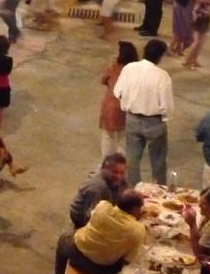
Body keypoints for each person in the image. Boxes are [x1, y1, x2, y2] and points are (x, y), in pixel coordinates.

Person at [53, 190, 147, 274]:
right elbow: (129, 259)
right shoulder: (138, 229)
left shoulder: (103, 207)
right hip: (96, 268)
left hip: (74, 249)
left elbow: (92, 218)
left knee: (64, 238)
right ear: (135, 209)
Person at [113, 38, 173, 185]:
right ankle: (158, 190)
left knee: (132, 160)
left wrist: (130, 102)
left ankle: (134, 189)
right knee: (158, 162)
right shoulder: (162, 75)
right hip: (154, 121)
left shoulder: (129, 68)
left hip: (132, 119)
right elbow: (166, 105)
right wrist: (164, 119)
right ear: (160, 56)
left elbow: (117, 92)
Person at [68, 152, 131, 229]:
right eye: (115, 172)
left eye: (122, 173)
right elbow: (90, 217)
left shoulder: (119, 178)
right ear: (104, 169)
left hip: (105, 207)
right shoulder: (97, 187)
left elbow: (128, 190)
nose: (119, 176)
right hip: (83, 218)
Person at [99, 41, 136, 158]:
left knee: (108, 136)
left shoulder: (114, 68)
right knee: (123, 137)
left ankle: (107, 162)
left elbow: (103, 80)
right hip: (126, 107)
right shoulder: (136, 71)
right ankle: (122, 162)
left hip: (110, 106)